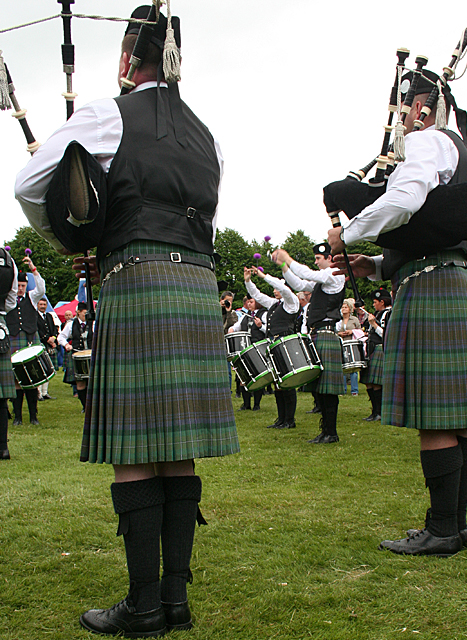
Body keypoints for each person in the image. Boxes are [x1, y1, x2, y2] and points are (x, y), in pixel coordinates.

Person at [15, 5, 239, 637]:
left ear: (124, 59)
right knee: (180, 449)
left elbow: (31, 183)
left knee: (138, 448)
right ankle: (175, 599)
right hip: (197, 283)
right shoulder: (208, 134)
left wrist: (73, 233)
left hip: (136, 277)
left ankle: (143, 606)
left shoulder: (107, 114)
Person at [328, 69, 467, 556]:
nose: (398, 120)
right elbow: (433, 229)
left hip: (432, 289)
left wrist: (349, 232)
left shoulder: (426, 143)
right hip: (455, 280)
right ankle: (454, 527)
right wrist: (377, 263)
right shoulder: (460, 152)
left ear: (422, 105)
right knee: (457, 418)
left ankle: (441, 530)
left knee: (436, 417)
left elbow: (404, 200)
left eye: (402, 108)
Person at [275, 244, 345, 444]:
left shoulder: (335, 274)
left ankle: (331, 432)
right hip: (317, 335)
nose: (316, 262)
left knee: (328, 389)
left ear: (329, 258)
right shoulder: (324, 282)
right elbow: (299, 284)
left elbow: (308, 273)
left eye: (318, 258)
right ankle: (325, 430)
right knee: (320, 387)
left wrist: (287, 257)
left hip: (326, 334)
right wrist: (284, 267)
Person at [244, 266, 299, 429]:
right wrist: (248, 281)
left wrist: (263, 276)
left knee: (287, 382)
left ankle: (290, 420)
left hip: (285, 343)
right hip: (274, 344)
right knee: (278, 383)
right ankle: (281, 419)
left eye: (277, 288)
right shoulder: (275, 304)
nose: (275, 290)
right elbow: (257, 295)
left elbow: (284, 289)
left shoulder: (291, 302)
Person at [6, 257, 46, 426]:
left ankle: (33, 416)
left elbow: (42, 288)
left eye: (23, 286)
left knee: (31, 380)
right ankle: (17, 417)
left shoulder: (32, 297)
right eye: (18, 286)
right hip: (14, 341)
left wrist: (33, 268)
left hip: (29, 341)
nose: (21, 289)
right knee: (17, 381)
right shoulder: (7, 300)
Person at [228, 296, 267, 410]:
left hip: (258, 347)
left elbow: (269, 329)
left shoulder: (263, 314)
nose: (249, 304)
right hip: (245, 348)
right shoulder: (245, 315)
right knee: (243, 377)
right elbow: (237, 326)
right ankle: (246, 404)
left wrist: (261, 326)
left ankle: (256, 404)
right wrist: (231, 329)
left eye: (251, 302)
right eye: (248, 302)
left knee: (257, 375)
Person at [359, 288, 392, 420]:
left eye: (375, 302)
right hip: (372, 349)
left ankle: (380, 412)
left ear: (382, 302)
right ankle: (374, 411)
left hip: (380, 349)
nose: (373, 305)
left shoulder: (389, 314)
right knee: (369, 382)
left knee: (377, 383)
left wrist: (373, 323)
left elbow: (386, 335)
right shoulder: (379, 313)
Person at [57, 302, 93, 412]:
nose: (86, 315)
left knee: (93, 383)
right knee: (80, 383)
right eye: (84, 313)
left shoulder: (93, 323)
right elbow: (61, 337)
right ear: (78, 312)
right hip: (77, 356)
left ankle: (93, 407)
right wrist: (67, 345)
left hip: (92, 355)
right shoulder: (70, 325)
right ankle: (85, 407)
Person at [0, 248, 18, 460]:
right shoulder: (7, 259)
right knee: (0, 397)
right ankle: (3, 447)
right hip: (0, 324)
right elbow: (12, 300)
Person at [336, 298, 361, 397]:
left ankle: (354, 390)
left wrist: (352, 331)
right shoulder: (338, 320)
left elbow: (360, 331)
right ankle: (343, 389)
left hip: (352, 343)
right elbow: (335, 330)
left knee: (353, 368)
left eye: (345, 307)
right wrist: (339, 333)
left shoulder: (354, 319)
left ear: (350, 309)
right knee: (342, 367)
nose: (344, 309)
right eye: (342, 307)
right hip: (342, 343)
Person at [36, 298, 58, 400]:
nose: (43, 306)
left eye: (44, 304)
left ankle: (45, 393)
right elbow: (36, 330)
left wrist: (53, 338)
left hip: (49, 345)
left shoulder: (49, 316)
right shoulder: (34, 316)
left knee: (48, 368)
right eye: (41, 304)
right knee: (40, 368)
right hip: (40, 345)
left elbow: (54, 328)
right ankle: (39, 393)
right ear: (37, 305)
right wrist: (47, 339)